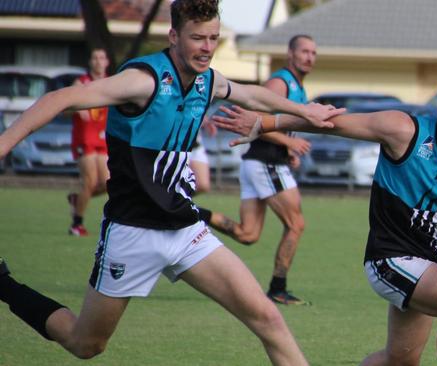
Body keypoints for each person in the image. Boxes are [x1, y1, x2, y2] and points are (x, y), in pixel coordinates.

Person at [0, 0, 341, 363]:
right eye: (198, 38)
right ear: (174, 36)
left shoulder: (207, 81)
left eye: (213, 38)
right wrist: (4, 144)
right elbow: (60, 97)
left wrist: (305, 110)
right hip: (132, 231)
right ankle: (4, 284)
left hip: (185, 230)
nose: (207, 47)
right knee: (86, 344)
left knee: (268, 319)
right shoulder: (142, 80)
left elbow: (252, 93)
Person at [212, 70, 437, 365]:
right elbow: (332, 124)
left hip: (427, 265)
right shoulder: (403, 130)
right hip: (390, 259)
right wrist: (265, 122)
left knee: (398, 361)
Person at [201, 35, 316, 305]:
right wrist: (288, 141)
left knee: (247, 234)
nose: (310, 57)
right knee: (296, 224)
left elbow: (277, 124)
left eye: (313, 52)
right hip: (265, 163)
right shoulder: (280, 82)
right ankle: (278, 288)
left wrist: (288, 149)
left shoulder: (298, 86)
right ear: (290, 54)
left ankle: (193, 213)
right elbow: (257, 123)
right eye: (304, 51)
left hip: (263, 163)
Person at [67, 48, 111, 237]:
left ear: (107, 62)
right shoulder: (81, 83)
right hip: (84, 138)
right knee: (90, 182)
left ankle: (77, 201)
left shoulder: (111, 83)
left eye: (102, 58)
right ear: (90, 62)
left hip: (102, 138)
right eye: (95, 58)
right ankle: (76, 225)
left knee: (108, 183)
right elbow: (65, 107)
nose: (98, 61)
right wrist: (76, 108)